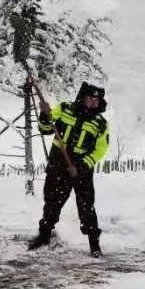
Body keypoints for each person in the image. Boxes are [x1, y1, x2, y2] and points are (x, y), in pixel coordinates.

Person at [28, 81, 110, 256]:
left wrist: (81, 166)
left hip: (82, 169)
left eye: (97, 99)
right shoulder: (64, 109)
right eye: (90, 98)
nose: (93, 102)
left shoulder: (100, 124)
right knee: (52, 202)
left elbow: (100, 149)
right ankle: (44, 236)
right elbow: (46, 129)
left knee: (86, 206)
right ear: (82, 97)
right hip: (58, 163)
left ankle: (94, 245)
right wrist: (44, 115)